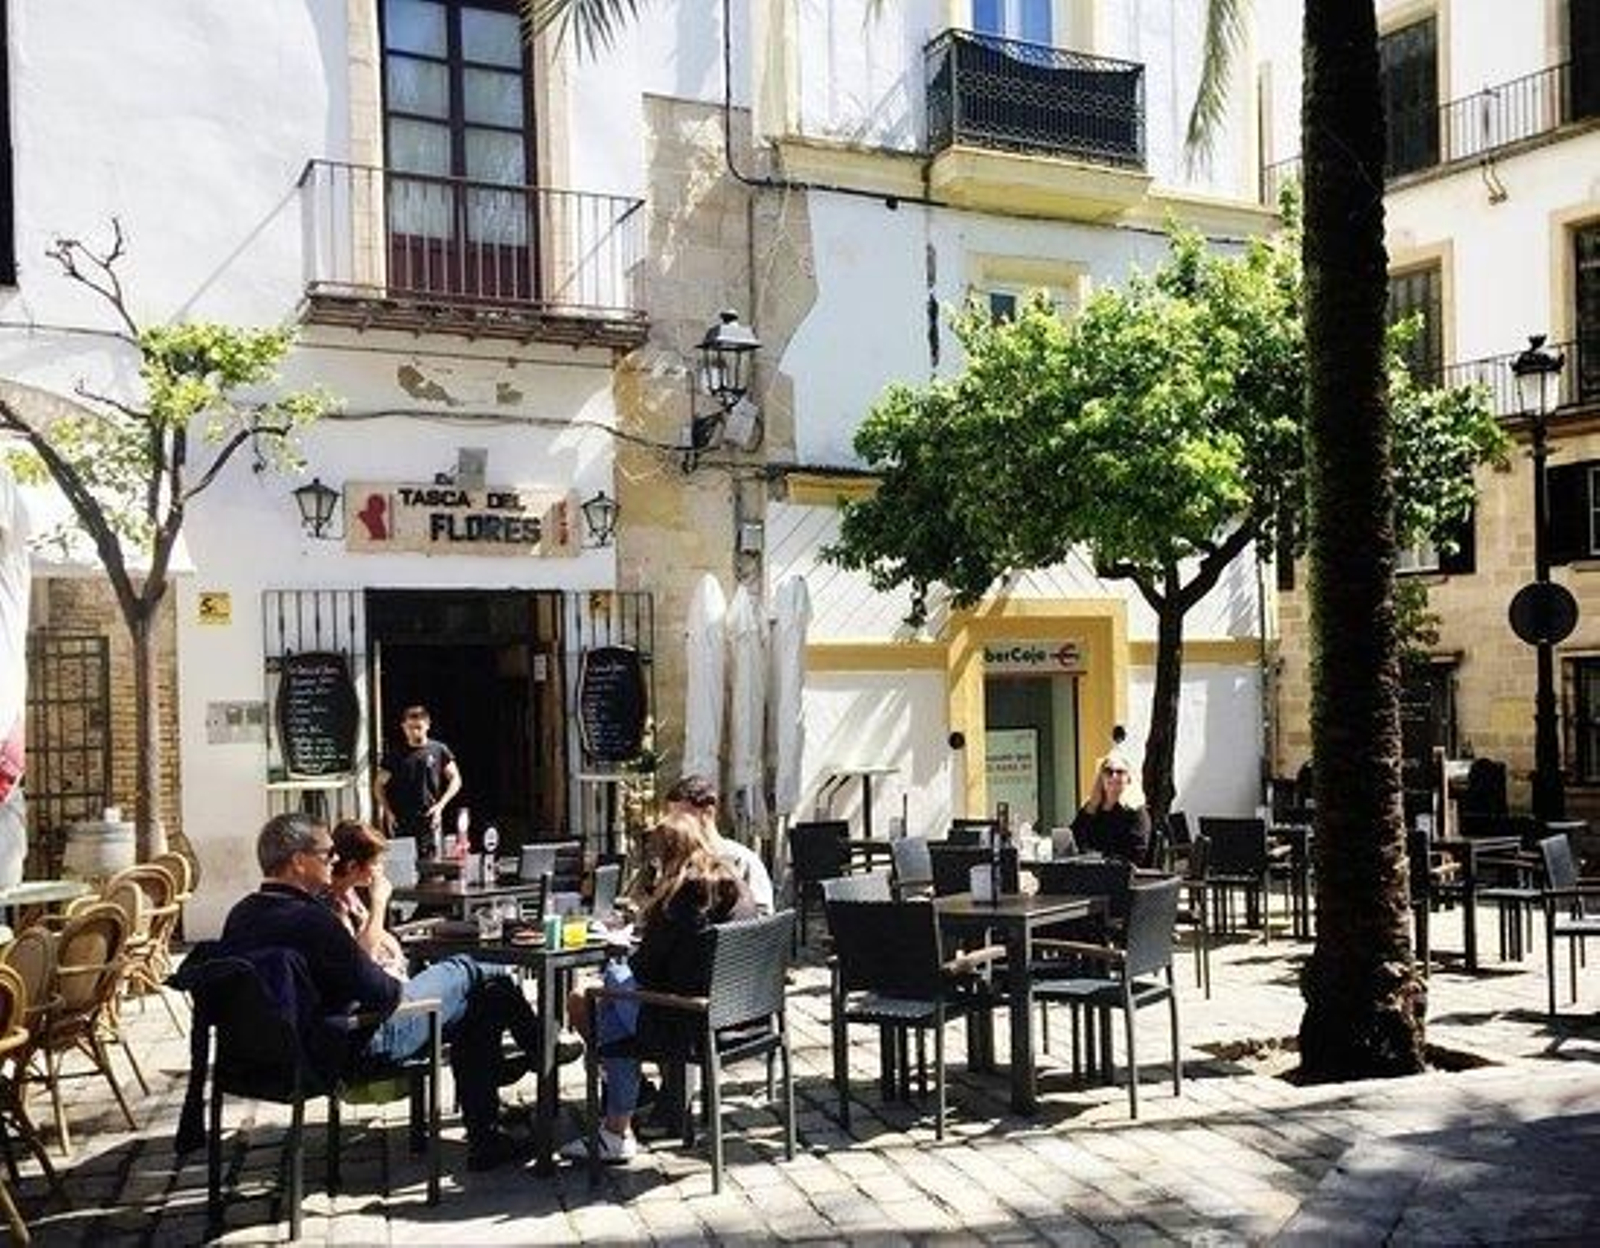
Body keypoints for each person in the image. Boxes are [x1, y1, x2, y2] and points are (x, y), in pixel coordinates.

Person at [221, 812, 536, 1171]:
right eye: (326, 855)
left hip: (269, 1058)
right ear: (297, 862)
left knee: (485, 1001)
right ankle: (542, 1052)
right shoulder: (313, 921)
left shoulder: (241, 915)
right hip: (357, 1043)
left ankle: (487, 1136)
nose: (335, 860)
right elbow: (383, 995)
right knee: (470, 969)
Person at [561, 812, 757, 1164]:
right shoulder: (733, 883)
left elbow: (644, 967)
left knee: (606, 989)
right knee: (610, 998)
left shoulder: (684, 896)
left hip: (688, 1021)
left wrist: (628, 944)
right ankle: (621, 1121)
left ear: (663, 856)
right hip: (745, 1013)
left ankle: (616, 1129)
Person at [664, 774, 774, 915]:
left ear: (708, 813)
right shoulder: (672, 858)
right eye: (672, 819)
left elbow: (763, 916)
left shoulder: (741, 859)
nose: (675, 826)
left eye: (682, 818)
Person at [374, 704, 462, 860]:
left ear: (427, 725)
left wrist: (440, 806)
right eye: (410, 728)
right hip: (401, 820)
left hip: (429, 817)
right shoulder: (395, 755)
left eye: (418, 727)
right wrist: (388, 811)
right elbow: (379, 785)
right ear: (403, 727)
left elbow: (455, 779)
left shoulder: (438, 750)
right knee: (402, 865)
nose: (414, 732)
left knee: (430, 865)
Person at [1069, 752, 1152, 864]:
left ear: (1128, 778)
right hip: (1088, 869)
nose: (1113, 776)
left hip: (1120, 874)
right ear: (1101, 777)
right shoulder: (1091, 807)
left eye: (1120, 772)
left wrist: (1102, 859)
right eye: (1108, 771)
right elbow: (1072, 837)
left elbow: (1136, 853)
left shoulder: (1136, 811)